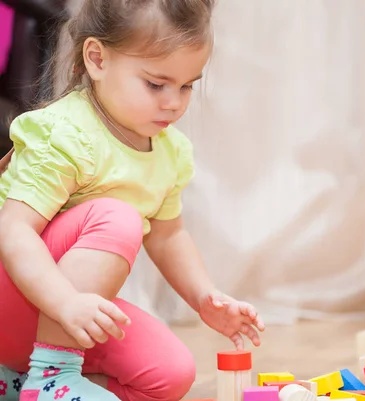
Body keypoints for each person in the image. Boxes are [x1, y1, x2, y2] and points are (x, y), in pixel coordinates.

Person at [0, 0, 265, 400]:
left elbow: (168, 235)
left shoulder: (169, 151)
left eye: (187, 85)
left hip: (56, 318)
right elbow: (14, 231)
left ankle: (14, 383)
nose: (174, 102)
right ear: (97, 60)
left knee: (172, 375)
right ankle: (52, 377)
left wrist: (204, 297)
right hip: (16, 298)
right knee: (117, 218)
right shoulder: (64, 134)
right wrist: (67, 302)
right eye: (156, 84)